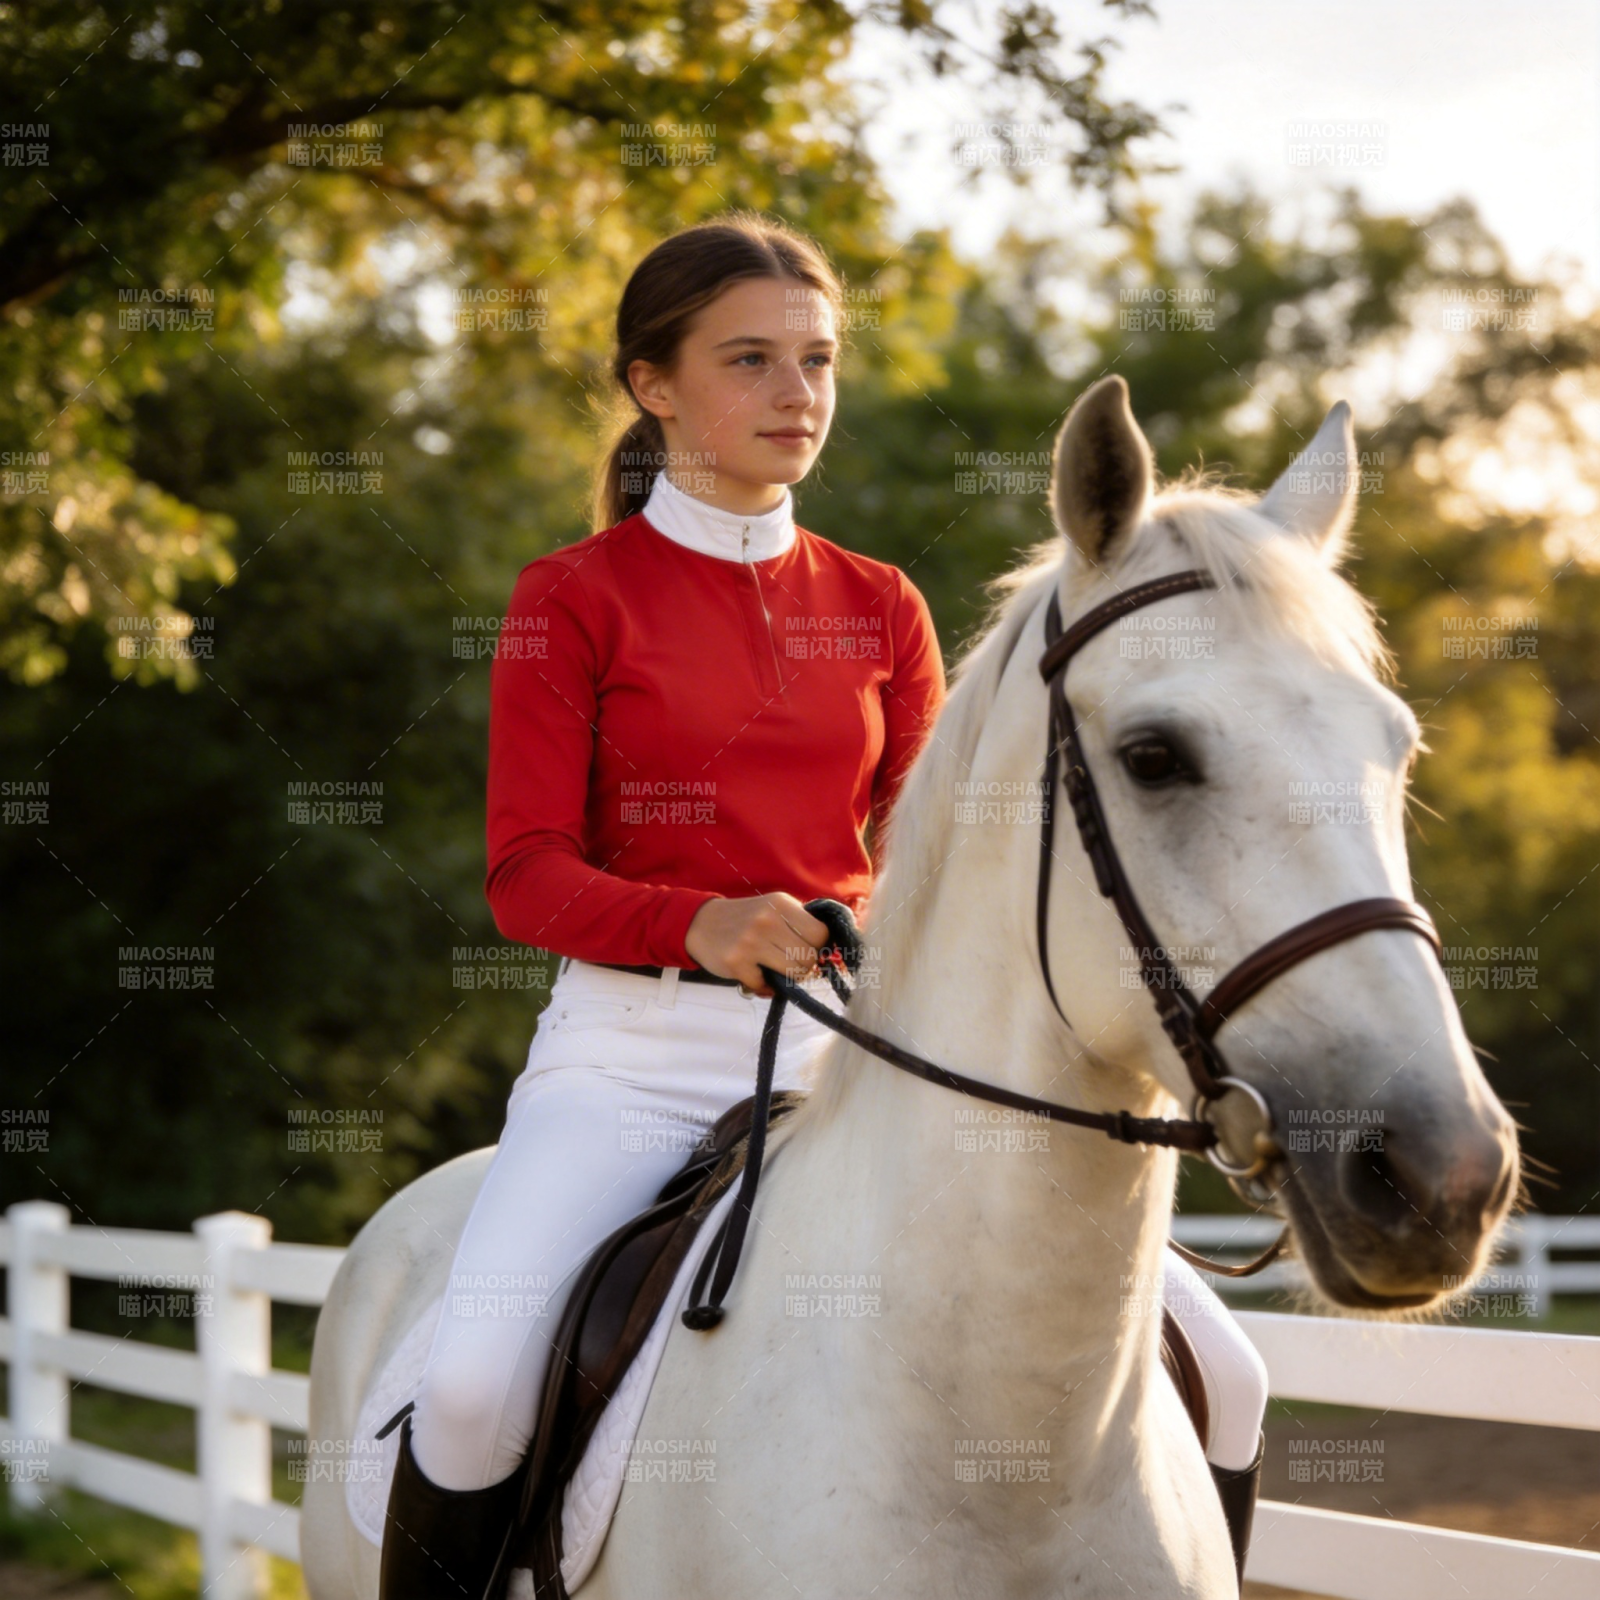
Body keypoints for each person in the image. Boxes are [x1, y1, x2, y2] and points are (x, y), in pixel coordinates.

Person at [378, 212, 1267, 1600]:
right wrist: (701, 923)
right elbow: (523, 874)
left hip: (856, 1053)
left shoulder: (882, 604)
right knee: (477, 1392)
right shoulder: (572, 599)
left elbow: (936, 857)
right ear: (653, 385)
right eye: (751, 361)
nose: (799, 395)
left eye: (819, 360)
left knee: (1231, 1369)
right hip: (631, 1066)